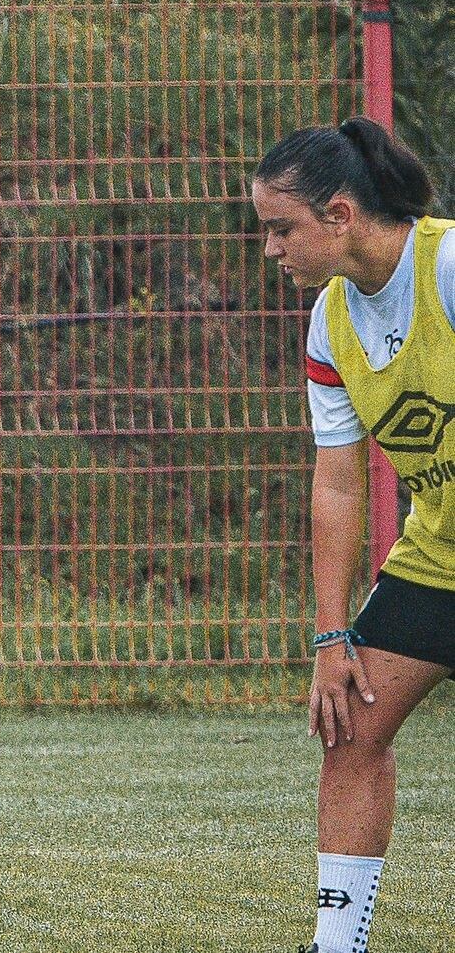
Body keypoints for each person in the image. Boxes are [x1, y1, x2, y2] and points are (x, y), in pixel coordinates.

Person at [252, 117, 448, 953]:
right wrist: (330, 638)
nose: (271, 250)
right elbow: (336, 488)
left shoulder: (446, 266)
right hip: (438, 561)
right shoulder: (331, 325)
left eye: (280, 228)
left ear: (339, 216)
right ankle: (339, 949)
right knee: (352, 726)